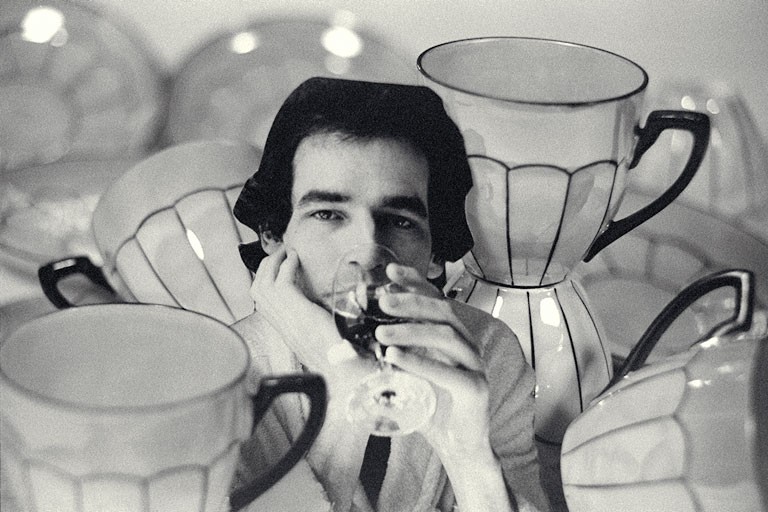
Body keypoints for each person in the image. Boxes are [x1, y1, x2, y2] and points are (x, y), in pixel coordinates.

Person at [231, 77, 550, 512]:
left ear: (435, 253)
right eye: (328, 214)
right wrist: (343, 382)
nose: (367, 253)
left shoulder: (488, 353)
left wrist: (469, 457)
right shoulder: (223, 378)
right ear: (273, 235)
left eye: (400, 221)